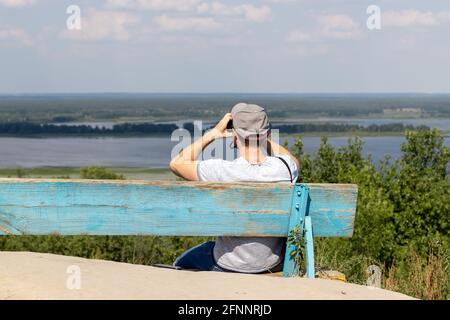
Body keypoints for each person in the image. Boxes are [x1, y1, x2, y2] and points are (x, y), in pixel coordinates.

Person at [169, 102, 299, 273]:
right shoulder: (286, 168)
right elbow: (293, 160)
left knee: (182, 262)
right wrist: (262, 137)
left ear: (234, 134)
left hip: (227, 264)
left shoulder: (220, 171)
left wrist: (213, 134)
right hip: (272, 263)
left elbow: (176, 164)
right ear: (267, 132)